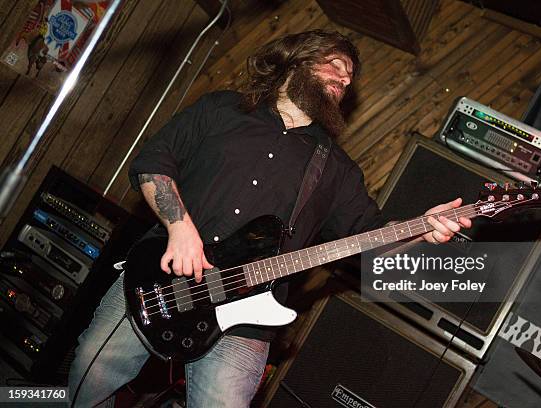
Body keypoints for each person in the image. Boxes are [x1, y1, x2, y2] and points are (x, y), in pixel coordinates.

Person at [68, 30, 471, 407]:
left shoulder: (337, 170)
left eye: (350, 78)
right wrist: (180, 227)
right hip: (159, 280)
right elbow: (153, 163)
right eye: (336, 65)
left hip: (245, 317)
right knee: (92, 372)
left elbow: (368, 239)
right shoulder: (220, 108)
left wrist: (423, 229)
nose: (345, 80)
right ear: (297, 60)